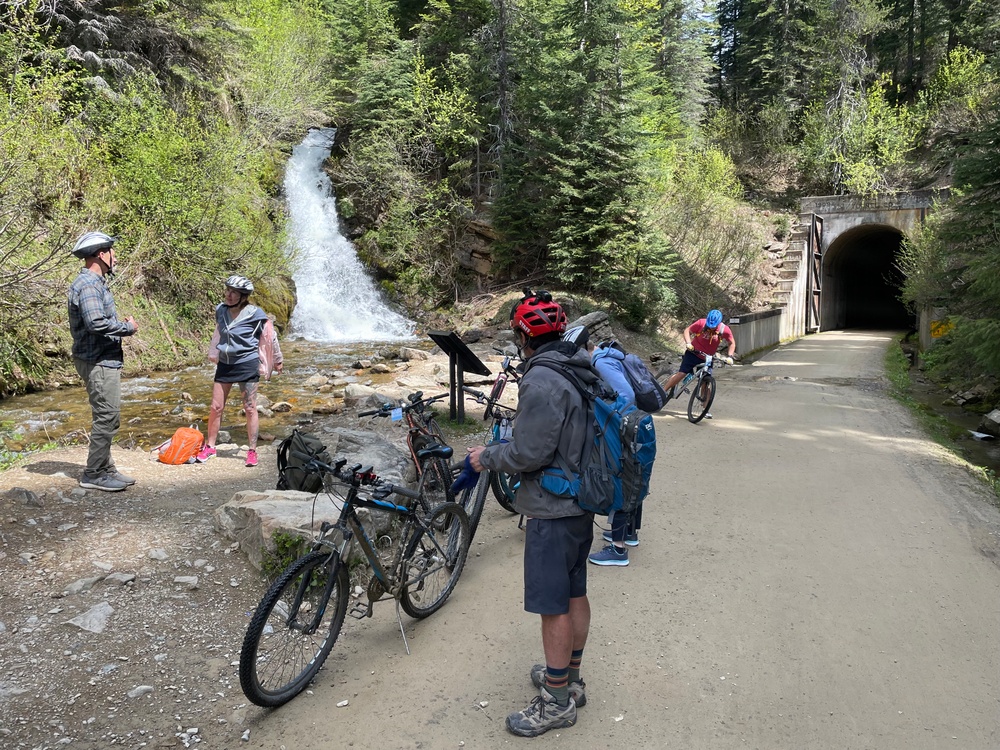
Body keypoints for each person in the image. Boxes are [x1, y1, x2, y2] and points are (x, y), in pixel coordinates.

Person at [468, 291, 597, 738]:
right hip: (581, 501)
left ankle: (556, 702)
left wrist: (488, 455)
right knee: (574, 591)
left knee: (552, 605)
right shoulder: (576, 364)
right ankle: (571, 681)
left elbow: (529, 452)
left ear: (523, 335)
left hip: (552, 506)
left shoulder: (542, 380)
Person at [563, 326, 643, 567]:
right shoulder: (606, 358)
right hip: (631, 425)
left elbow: (626, 395)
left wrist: (607, 414)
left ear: (583, 350)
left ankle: (618, 550)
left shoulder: (601, 362)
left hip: (621, 426)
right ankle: (628, 534)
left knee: (617, 478)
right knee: (630, 477)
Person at [67, 231, 140, 492]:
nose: (115, 256)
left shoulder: (95, 283)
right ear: (102, 254)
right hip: (97, 360)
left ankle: (105, 468)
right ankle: (94, 473)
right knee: (107, 417)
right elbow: (96, 322)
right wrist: (127, 327)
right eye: (112, 251)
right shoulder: (88, 285)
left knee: (108, 416)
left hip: (102, 359)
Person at [196, 275, 283, 467]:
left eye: (234, 292)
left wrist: (277, 360)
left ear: (243, 296)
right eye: (228, 290)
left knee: (250, 408)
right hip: (226, 363)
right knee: (216, 407)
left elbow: (270, 337)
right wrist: (213, 353)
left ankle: (252, 451)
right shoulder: (221, 310)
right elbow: (219, 332)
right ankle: (210, 447)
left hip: (247, 363)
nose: (229, 295)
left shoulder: (255, 314)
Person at [661, 309, 736, 419]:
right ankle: (661, 393)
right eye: (709, 325)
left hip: (708, 358)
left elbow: (731, 342)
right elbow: (687, 331)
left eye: (713, 326)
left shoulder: (725, 330)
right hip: (693, 353)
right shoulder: (701, 323)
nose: (710, 328)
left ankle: (705, 409)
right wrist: (688, 343)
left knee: (705, 382)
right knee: (682, 374)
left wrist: (730, 356)